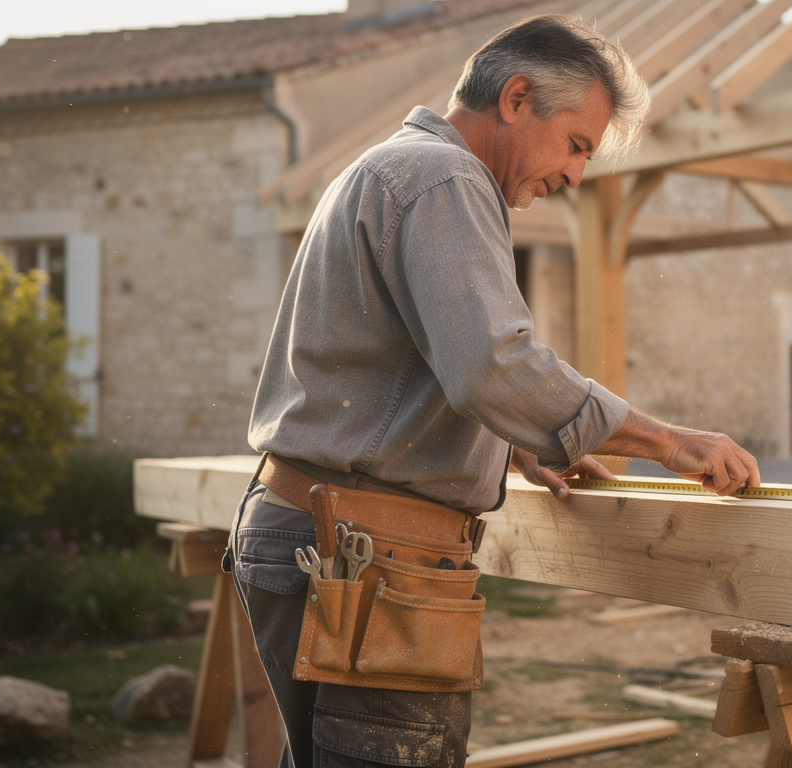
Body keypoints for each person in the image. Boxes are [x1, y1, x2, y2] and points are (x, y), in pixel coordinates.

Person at [227, 14, 760, 768]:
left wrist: (507, 444)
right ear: (515, 99)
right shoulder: (447, 178)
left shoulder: (388, 166)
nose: (577, 175)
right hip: (366, 555)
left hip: (310, 533)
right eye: (577, 144)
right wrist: (671, 442)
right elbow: (493, 367)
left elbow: (403, 364)